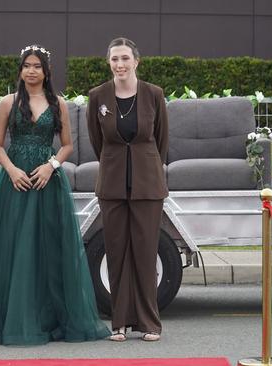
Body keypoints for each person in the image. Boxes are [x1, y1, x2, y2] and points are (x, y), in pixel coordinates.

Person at [0, 45, 110, 345]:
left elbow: (67, 145)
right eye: (26, 65)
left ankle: (48, 317)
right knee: (13, 249)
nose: (31, 71)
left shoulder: (58, 104)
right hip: (14, 183)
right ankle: (9, 319)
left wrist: (50, 167)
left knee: (47, 249)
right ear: (21, 70)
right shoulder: (7, 103)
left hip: (46, 183)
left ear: (46, 71)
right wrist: (12, 171)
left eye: (37, 66)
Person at [86, 37, 169, 342]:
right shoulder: (98, 97)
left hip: (148, 186)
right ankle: (119, 322)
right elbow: (98, 141)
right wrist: (116, 165)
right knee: (117, 252)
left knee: (146, 254)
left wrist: (143, 165)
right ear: (108, 63)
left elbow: (160, 140)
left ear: (136, 61)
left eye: (124, 58)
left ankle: (149, 322)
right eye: (114, 59)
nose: (119, 64)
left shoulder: (153, 95)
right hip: (112, 185)